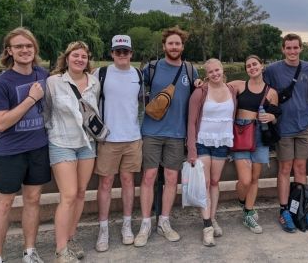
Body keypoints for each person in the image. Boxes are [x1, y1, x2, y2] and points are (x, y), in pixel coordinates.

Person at [0, 27, 50, 263]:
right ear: (9, 51)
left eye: (29, 46)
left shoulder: (42, 74)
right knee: (4, 204)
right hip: (10, 151)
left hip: (38, 148)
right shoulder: (1, 83)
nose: (25, 50)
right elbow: (0, 123)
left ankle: (29, 251)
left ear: (35, 49)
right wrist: (31, 99)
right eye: (19, 46)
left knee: (33, 200)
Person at [134, 26, 198, 247]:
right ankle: (145, 223)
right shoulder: (151, 68)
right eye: (170, 43)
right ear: (164, 46)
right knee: (149, 177)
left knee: (172, 179)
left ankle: (164, 221)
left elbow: (198, 98)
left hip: (177, 133)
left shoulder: (190, 71)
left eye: (177, 43)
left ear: (182, 46)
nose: (174, 47)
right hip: (151, 131)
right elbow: (132, 90)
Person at [44, 41, 100, 262]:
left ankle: (70, 236)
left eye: (83, 56)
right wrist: (52, 133)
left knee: (80, 193)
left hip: (87, 144)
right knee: (67, 195)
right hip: (62, 142)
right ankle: (61, 249)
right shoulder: (53, 82)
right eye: (75, 55)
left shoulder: (94, 82)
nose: (79, 59)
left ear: (88, 60)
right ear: (66, 58)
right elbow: (46, 113)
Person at [263, 33, 308, 233]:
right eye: (289, 48)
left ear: (301, 48)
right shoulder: (272, 70)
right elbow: (259, 89)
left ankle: (300, 210)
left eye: (296, 48)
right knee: (285, 169)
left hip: (304, 126)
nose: (292, 51)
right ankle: (285, 210)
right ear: (283, 49)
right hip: (284, 127)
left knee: (301, 168)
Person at [93, 35, 143, 252]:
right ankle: (103, 229)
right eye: (118, 51)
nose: (122, 55)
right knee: (105, 184)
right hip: (108, 139)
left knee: (128, 182)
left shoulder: (138, 74)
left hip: (132, 137)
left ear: (131, 53)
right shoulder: (100, 74)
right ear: (112, 53)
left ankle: (126, 224)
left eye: (126, 51)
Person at [187, 58, 236, 246]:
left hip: (222, 141)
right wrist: (191, 150)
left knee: (215, 182)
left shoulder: (232, 90)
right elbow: (191, 123)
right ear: (206, 74)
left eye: (217, 70)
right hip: (202, 142)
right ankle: (207, 225)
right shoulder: (200, 92)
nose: (215, 74)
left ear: (223, 70)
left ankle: (213, 217)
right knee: (205, 183)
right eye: (210, 72)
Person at [229, 55, 279, 234]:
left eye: (255, 64)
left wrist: (272, 117)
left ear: (262, 65)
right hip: (241, 134)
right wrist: (199, 81)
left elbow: (276, 116)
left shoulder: (271, 92)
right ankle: (243, 203)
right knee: (245, 179)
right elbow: (214, 86)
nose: (252, 68)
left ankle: (248, 213)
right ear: (246, 69)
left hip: (260, 136)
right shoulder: (238, 85)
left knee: (255, 178)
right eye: (248, 66)